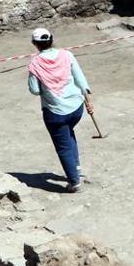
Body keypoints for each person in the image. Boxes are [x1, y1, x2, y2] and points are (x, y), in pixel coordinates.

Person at [27, 28, 93, 193]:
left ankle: (74, 181)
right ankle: (76, 168)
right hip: (76, 107)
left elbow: (34, 90)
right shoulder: (67, 54)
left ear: (35, 44)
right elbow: (80, 78)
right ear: (51, 39)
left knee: (62, 146)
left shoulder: (35, 63)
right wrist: (87, 98)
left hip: (55, 111)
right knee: (69, 133)